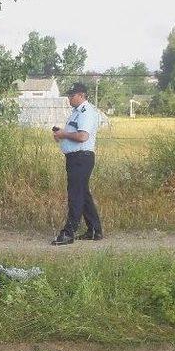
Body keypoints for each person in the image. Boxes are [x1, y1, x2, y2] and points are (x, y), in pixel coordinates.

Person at [51, 82, 103, 245]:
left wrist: (64, 134)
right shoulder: (76, 112)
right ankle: (94, 230)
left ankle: (69, 232)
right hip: (76, 158)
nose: (69, 98)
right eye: (68, 95)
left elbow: (82, 137)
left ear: (82, 95)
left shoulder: (86, 112)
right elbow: (74, 134)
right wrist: (61, 135)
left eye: (72, 95)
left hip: (82, 157)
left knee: (75, 195)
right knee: (83, 194)